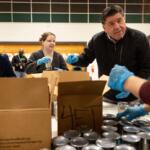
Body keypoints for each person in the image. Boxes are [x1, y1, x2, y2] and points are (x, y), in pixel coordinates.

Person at [66, 5, 150, 102]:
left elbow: (146, 68)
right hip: (107, 96)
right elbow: (85, 59)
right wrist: (77, 60)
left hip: (134, 98)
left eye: (119, 21)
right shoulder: (97, 40)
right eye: (111, 24)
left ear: (124, 19)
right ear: (104, 28)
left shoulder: (139, 38)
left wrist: (131, 87)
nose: (117, 27)